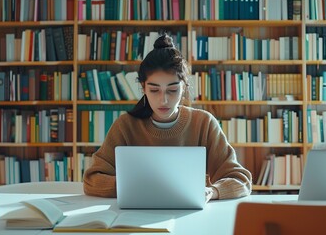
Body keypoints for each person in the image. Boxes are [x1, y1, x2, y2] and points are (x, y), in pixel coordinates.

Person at [83, 34, 252, 201]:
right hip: (134, 216)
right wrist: (136, 186)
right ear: (143, 88)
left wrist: (211, 191)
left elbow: (241, 180)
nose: (163, 100)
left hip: (190, 217)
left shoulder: (204, 123)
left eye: (172, 90)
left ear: (184, 87)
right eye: (154, 90)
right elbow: (92, 181)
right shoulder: (125, 125)